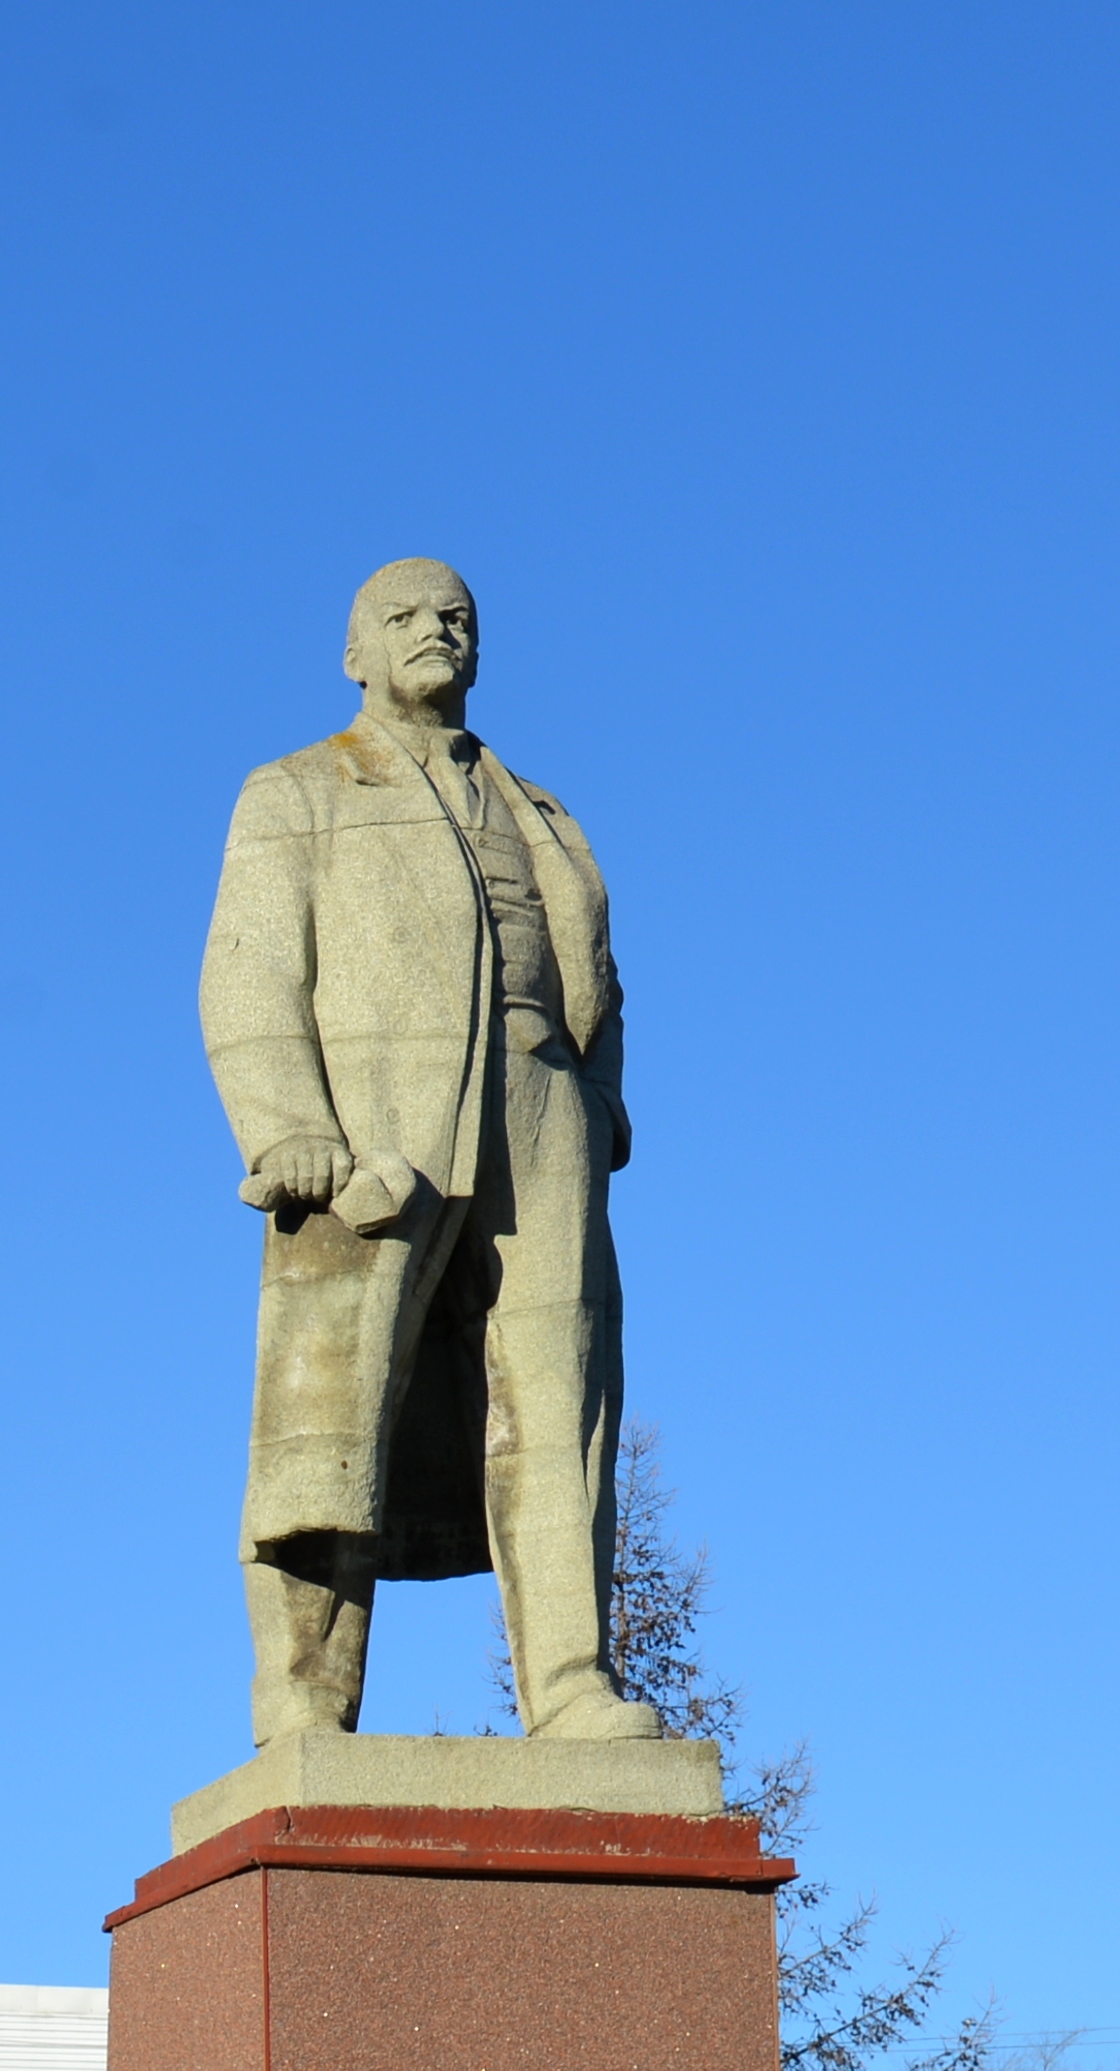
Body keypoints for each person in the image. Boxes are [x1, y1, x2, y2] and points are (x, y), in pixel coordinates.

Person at [198, 557, 658, 1748]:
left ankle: (569, 1686)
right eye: (403, 616)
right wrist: (288, 1122)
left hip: (541, 1112)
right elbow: (247, 971)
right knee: (330, 1427)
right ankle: (304, 1708)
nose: (437, 629)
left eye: (456, 615)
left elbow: (606, 976)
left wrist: (598, 1098)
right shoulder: (299, 788)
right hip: (377, 1133)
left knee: (560, 1404)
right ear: (354, 652)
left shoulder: (543, 810)